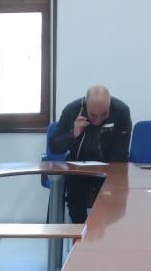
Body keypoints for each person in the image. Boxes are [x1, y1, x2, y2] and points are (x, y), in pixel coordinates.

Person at [49, 85, 133, 222]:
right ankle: (82, 232)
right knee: (76, 204)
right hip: (79, 170)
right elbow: (55, 147)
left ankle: (107, 233)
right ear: (85, 104)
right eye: (93, 115)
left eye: (104, 115)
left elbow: (121, 152)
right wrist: (73, 134)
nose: (98, 120)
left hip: (110, 169)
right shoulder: (72, 111)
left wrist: (107, 175)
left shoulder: (121, 111)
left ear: (110, 103)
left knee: (115, 209)